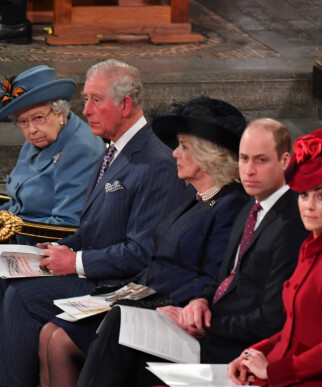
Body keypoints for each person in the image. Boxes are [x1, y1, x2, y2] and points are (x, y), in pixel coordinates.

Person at [76, 118, 309, 386]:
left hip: (229, 345)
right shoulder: (251, 209)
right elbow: (222, 279)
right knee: (120, 324)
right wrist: (201, 301)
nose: (249, 170)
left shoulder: (290, 222)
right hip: (205, 323)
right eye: (244, 159)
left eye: (261, 160)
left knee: (120, 335)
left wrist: (203, 323)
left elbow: (272, 317)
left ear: (285, 160)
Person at [37, 96, 251, 387]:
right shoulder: (195, 195)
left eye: (184, 147)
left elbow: (211, 277)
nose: (174, 154)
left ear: (208, 155)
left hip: (169, 312)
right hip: (140, 295)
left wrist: (153, 301)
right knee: (49, 334)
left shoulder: (231, 205)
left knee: (60, 342)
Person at [0, 59, 187, 387]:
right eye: (86, 99)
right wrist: (61, 247)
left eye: (95, 100)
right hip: (98, 270)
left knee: (22, 295)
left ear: (125, 104)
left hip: (125, 285)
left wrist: (74, 260)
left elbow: (141, 253)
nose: (85, 110)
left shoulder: (154, 162)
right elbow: (92, 228)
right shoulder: (114, 149)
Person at [228, 127, 322, 386]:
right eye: (304, 195)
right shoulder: (310, 247)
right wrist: (252, 354)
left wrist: (272, 372)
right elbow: (292, 329)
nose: (309, 205)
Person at [0, 65, 105, 244]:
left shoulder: (81, 149)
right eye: (23, 121)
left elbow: (67, 225)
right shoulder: (40, 138)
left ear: (60, 112)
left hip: (45, 247)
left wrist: (9, 228)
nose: (32, 129)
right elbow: (18, 202)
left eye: (39, 118)